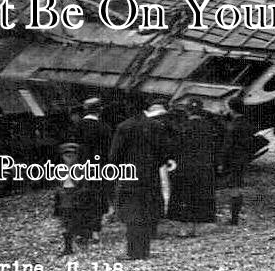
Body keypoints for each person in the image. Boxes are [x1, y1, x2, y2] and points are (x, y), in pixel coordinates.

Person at [109, 100, 169, 260]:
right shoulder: (156, 126)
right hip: (150, 174)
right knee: (147, 211)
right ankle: (145, 251)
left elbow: (114, 156)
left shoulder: (123, 127)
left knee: (132, 214)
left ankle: (133, 252)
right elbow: (164, 153)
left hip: (130, 175)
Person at [168, 99, 219, 236]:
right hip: (204, 165)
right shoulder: (209, 127)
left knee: (184, 195)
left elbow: (175, 146)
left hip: (185, 166)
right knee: (200, 195)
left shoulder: (182, 127)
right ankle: (197, 226)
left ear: (187, 110)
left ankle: (184, 228)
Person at [67, 97, 113, 237]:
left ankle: (81, 230)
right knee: (97, 198)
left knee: (80, 197)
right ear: (100, 110)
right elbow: (109, 151)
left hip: (79, 168)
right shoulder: (105, 128)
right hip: (99, 168)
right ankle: (94, 231)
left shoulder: (76, 127)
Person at [56, 142, 99, 254]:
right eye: (66, 156)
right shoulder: (60, 170)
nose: (69, 158)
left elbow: (87, 186)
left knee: (78, 219)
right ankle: (68, 245)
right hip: (65, 198)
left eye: (72, 155)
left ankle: (81, 237)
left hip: (78, 198)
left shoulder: (82, 169)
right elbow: (58, 185)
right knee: (66, 221)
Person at [219, 99, 257, 226]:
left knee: (234, 187)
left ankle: (234, 219)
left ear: (232, 109)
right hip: (243, 158)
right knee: (238, 186)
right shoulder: (247, 123)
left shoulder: (233, 125)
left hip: (233, 159)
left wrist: (221, 162)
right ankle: (235, 216)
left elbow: (227, 145)